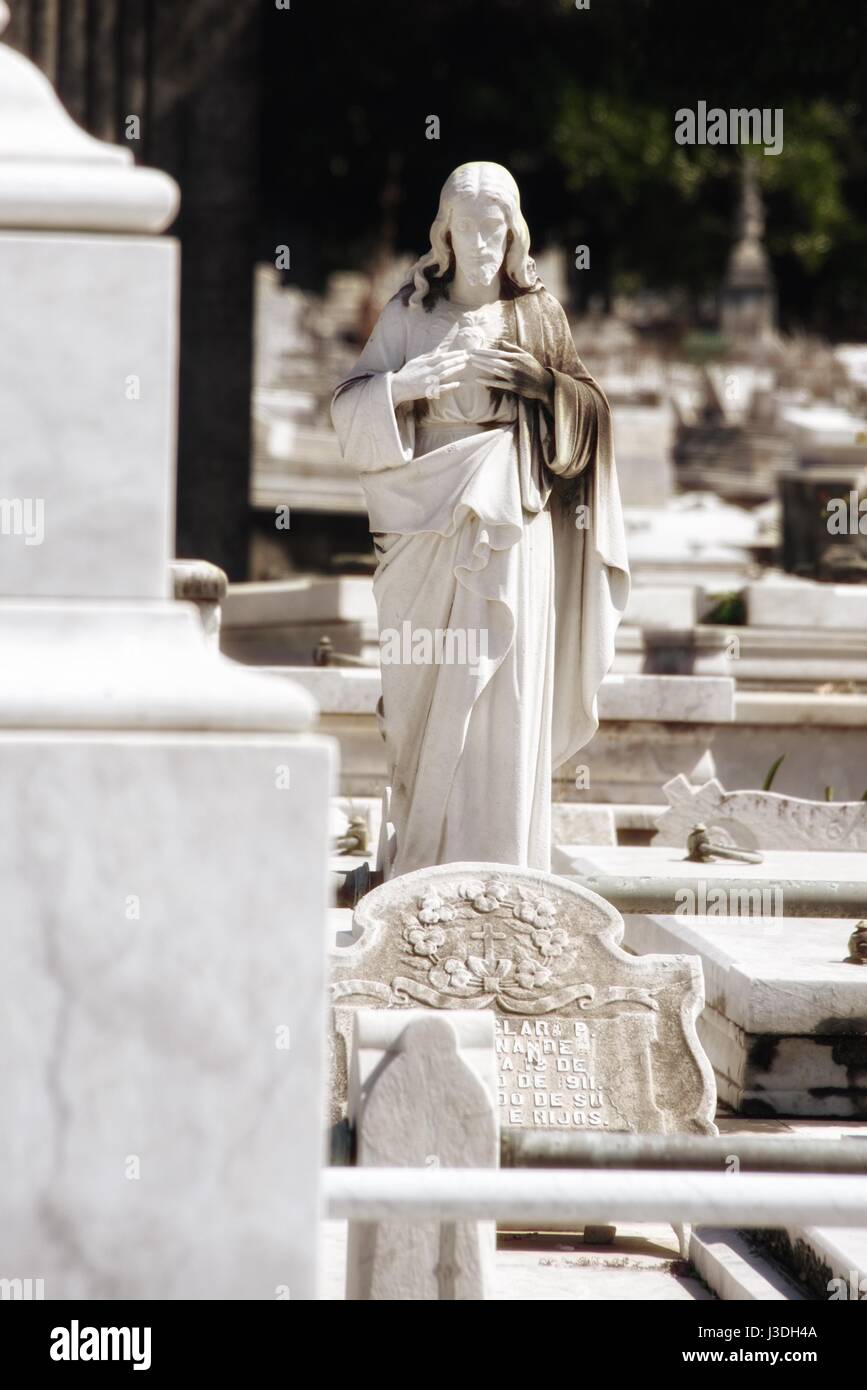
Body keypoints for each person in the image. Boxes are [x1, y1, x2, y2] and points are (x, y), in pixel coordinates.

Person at [332, 161, 629, 877]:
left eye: (494, 230)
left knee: (502, 681)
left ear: (512, 233)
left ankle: (500, 863)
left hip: (510, 521)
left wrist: (543, 385)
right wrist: (400, 388)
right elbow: (346, 408)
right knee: (419, 698)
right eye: (467, 230)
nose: (482, 244)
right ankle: (424, 859)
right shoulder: (409, 312)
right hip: (423, 520)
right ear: (445, 235)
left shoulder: (536, 316)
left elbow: (590, 417)